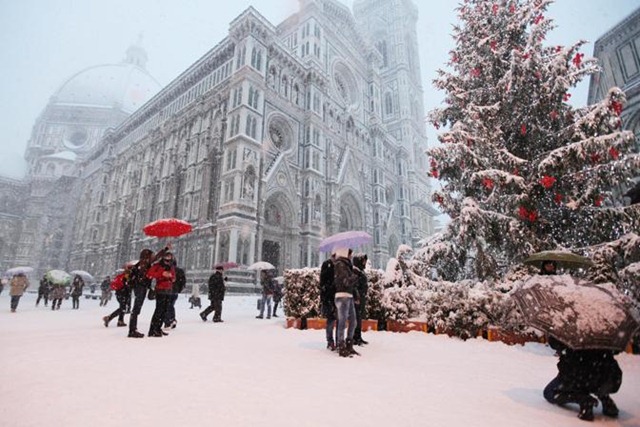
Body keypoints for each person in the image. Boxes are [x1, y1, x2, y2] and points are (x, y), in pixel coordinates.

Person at [543, 336, 622, 421]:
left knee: (548, 392)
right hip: (603, 377)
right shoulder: (603, 331)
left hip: (578, 376)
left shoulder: (573, 330)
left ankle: (583, 399)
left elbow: (555, 344)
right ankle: (605, 399)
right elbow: (615, 351)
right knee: (594, 376)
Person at [127, 246, 170, 338]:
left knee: (136, 308)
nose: (153, 256)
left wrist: (165, 249)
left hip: (140, 287)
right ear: (147, 256)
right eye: (151, 255)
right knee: (136, 309)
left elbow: (156, 257)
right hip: (141, 287)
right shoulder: (144, 264)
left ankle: (133, 329)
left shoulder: (142, 263)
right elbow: (146, 275)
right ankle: (132, 330)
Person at [333, 248, 360, 357]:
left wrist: (356, 294)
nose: (351, 256)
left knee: (353, 321)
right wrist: (354, 275)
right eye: (350, 254)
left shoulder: (347, 266)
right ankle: (341, 345)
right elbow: (345, 282)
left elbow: (350, 283)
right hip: (342, 296)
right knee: (342, 322)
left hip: (349, 296)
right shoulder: (340, 265)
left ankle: (349, 343)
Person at [146, 252, 176, 337]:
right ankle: (152, 330)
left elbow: (174, 277)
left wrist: (171, 277)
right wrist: (161, 274)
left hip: (168, 290)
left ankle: (158, 328)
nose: (168, 261)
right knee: (158, 310)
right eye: (166, 259)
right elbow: (150, 274)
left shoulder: (171, 267)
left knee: (165, 311)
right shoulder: (157, 266)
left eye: (169, 260)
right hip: (160, 290)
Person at [320, 253, 337, 350]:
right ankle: (330, 341)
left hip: (337, 296)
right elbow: (322, 280)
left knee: (338, 320)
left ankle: (338, 340)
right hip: (329, 296)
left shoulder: (339, 265)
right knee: (330, 320)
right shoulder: (326, 264)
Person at [352, 253, 369, 346]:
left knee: (359, 318)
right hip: (357, 299)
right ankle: (355, 337)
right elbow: (354, 286)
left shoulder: (360, 271)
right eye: (363, 260)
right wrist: (356, 296)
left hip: (361, 298)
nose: (365, 262)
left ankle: (358, 336)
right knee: (356, 318)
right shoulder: (355, 271)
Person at [164, 261, 186, 329]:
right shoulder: (180, 271)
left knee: (167, 305)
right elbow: (183, 281)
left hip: (167, 289)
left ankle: (169, 320)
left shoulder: (167, 270)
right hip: (175, 290)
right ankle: (171, 319)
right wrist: (179, 289)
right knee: (171, 305)